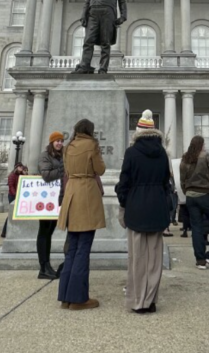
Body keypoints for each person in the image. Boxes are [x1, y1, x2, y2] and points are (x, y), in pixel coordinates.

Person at [116, 110, 171, 314]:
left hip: (136, 207)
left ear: (137, 132)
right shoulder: (163, 153)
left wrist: (123, 204)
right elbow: (167, 183)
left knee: (137, 257)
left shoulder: (131, 153)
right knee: (155, 258)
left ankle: (138, 300)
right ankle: (151, 299)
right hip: (157, 206)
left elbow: (124, 184)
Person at [57, 119, 106, 310]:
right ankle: (78, 298)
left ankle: (65, 296)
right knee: (83, 248)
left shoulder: (69, 146)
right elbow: (100, 169)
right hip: (86, 193)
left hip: (71, 193)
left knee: (72, 248)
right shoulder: (91, 145)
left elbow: (68, 171)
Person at [180, 136, 209, 270]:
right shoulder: (207, 156)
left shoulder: (185, 158)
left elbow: (182, 180)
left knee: (196, 227)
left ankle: (200, 259)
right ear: (201, 144)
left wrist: (186, 191)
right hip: (206, 194)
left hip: (190, 196)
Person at [37, 131, 66, 280]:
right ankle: (43, 266)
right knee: (44, 232)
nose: (60, 143)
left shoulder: (62, 156)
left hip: (58, 199)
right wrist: (62, 170)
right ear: (51, 142)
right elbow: (46, 175)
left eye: (61, 141)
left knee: (49, 232)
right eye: (57, 141)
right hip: (47, 199)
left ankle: (46, 266)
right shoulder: (45, 156)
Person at [2, 163, 26, 238]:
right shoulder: (12, 175)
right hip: (13, 196)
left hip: (20, 195)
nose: (21, 168)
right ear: (16, 167)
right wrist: (16, 195)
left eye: (22, 167)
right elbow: (11, 186)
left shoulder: (21, 175)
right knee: (12, 213)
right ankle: (4, 231)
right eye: (20, 167)